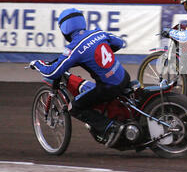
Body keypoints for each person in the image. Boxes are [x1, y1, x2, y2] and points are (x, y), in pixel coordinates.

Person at [29, 8, 131, 148]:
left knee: (75, 107)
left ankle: (110, 127)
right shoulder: (98, 32)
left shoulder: (74, 48)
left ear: (64, 29)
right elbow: (119, 43)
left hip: (109, 87)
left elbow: (53, 73)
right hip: (124, 77)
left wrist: (37, 64)